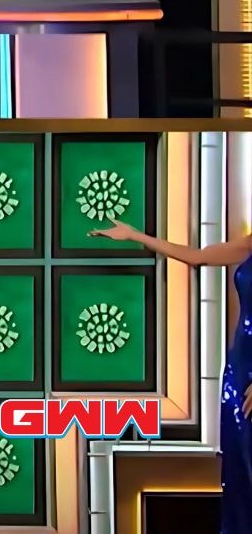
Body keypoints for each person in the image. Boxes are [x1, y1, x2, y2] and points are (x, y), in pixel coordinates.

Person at [90, 219, 250, 530]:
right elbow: (197, 256)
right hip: (240, 369)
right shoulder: (250, 243)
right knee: (240, 469)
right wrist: (135, 235)